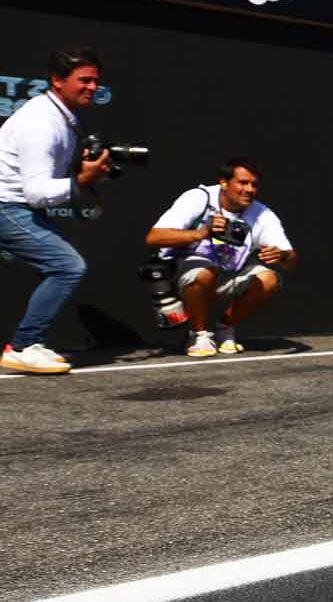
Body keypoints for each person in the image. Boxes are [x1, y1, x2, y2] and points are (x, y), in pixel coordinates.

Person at [0, 48, 117, 374]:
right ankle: (23, 346)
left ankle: (32, 343)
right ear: (57, 80)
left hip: (15, 205)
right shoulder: (42, 123)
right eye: (84, 80)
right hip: (6, 205)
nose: (93, 87)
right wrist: (82, 180)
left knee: (56, 267)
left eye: (96, 80)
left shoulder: (62, 116)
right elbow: (37, 192)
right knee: (67, 266)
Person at [144, 157, 297, 356]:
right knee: (204, 272)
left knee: (270, 279)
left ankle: (225, 329)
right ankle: (198, 334)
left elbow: (292, 262)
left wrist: (282, 256)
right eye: (243, 183)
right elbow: (153, 238)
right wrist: (201, 233)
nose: (249, 190)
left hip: (228, 273)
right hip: (184, 273)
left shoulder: (262, 214)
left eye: (254, 184)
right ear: (223, 182)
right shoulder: (199, 198)